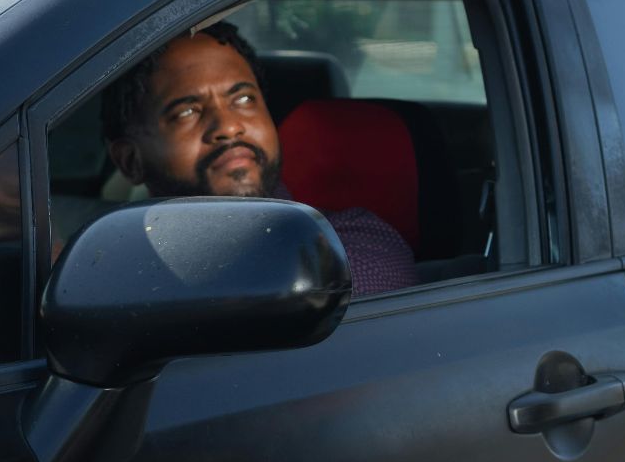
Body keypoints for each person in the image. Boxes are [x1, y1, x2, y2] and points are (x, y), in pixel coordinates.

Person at [100, 21, 417, 297]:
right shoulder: (107, 263)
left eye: (243, 99)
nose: (228, 126)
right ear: (130, 160)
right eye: (186, 112)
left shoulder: (355, 245)